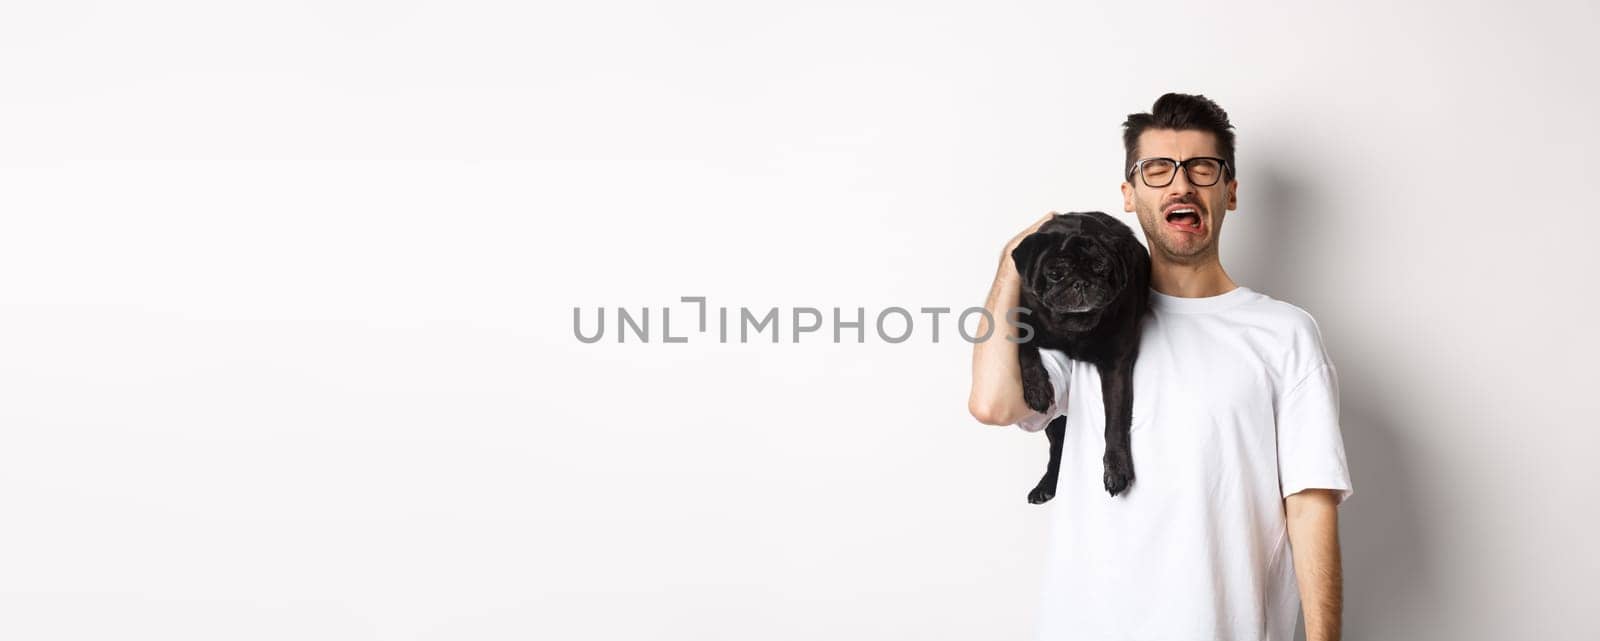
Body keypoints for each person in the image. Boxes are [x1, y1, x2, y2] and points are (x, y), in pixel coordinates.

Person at [968, 93, 1354, 641]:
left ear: (1231, 191)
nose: (1181, 185)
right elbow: (991, 403)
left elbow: (1311, 503)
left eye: (1202, 167)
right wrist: (1011, 267)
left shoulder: (1283, 333)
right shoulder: (1083, 326)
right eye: (1157, 169)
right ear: (1129, 195)